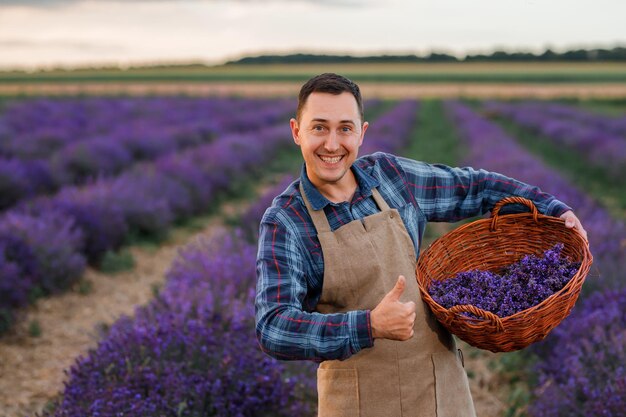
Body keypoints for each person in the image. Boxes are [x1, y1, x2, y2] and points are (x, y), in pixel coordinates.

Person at [254, 73, 587, 417]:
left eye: (345, 128)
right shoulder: (286, 221)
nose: (333, 144)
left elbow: (473, 187)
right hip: (358, 403)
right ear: (297, 131)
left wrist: (553, 208)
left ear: (362, 132)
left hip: (441, 393)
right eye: (319, 127)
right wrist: (369, 325)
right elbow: (273, 326)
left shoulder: (392, 177)